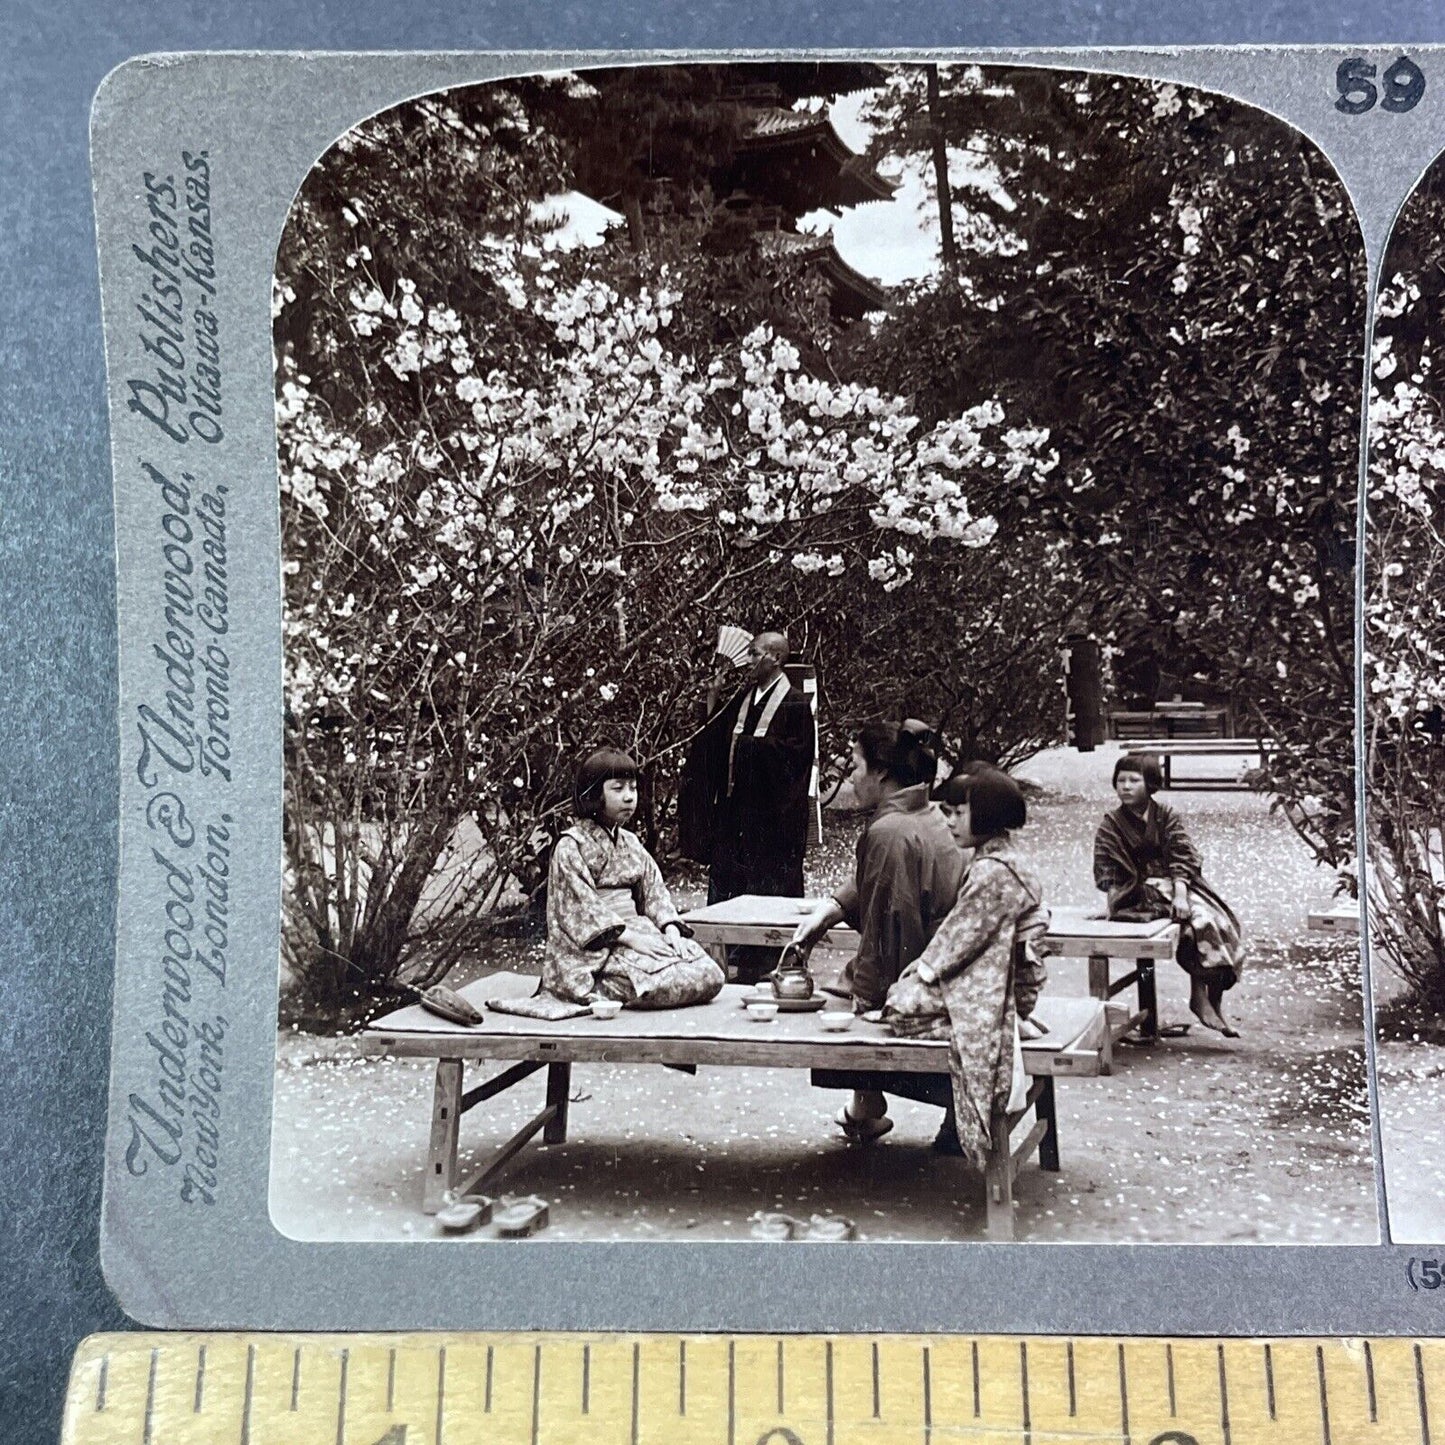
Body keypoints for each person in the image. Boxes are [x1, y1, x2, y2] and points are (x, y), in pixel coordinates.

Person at [792, 721, 963, 1142]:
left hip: (927, 973)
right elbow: (887, 879)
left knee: (828, 1017)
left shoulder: (889, 831)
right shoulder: (925, 811)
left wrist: (865, 1002)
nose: (850, 776)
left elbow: (890, 932)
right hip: (946, 961)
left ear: (881, 773)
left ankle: (903, 1104)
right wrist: (833, 908)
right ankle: (868, 1106)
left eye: (855, 765)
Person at [880, 767, 1050, 1163]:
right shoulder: (997, 860)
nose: (949, 821)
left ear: (987, 815)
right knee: (905, 995)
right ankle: (1001, 1021)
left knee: (901, 1008)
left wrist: (921, 972)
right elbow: (963, 933)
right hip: (1000, 973)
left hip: (1006, 985)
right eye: (948, 812)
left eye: (958, 813)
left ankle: (1005, 1024)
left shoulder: (995, 871)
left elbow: (962, 938)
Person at [532, 749, 725, 1010]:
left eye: (633, 788)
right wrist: (630, 937)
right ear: (593, 793)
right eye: (618, 788)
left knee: (710, 974)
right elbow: (580, 908)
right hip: (599, 949)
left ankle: (628, 986)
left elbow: (654, 892)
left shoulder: (631, 842)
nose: (628, 797)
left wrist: (669, 929)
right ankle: (598, 987)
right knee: (664, 982)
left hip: (641, 933)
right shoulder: (571, 846)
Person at [681, 630, 816, 983]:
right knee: (732, 881)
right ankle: (734, 957)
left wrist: (749, 750)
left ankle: (772, 961)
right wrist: (712, 698)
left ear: (774, 658)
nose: (749, 661)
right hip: (737, 815)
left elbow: (795, 761)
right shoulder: (743, 699)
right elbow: (716, 741)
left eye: (754, 654)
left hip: (773, 821)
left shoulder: (796, 704)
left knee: (768, 888)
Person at [1093, 752, 1243, 1036]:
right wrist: (1113, 902)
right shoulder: (1111, 823)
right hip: (1136, 890)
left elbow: (1181, 853)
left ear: (1150, 784)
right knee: (1199, 922)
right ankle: (1200, 996)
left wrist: (1181, 892)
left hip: (1176, 885)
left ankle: (1212, 997)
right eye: (1121, 780)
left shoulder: (1165, 816)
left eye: (1134, 780)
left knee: (1221, 921)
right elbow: (1107, 866)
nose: (1125, 786)